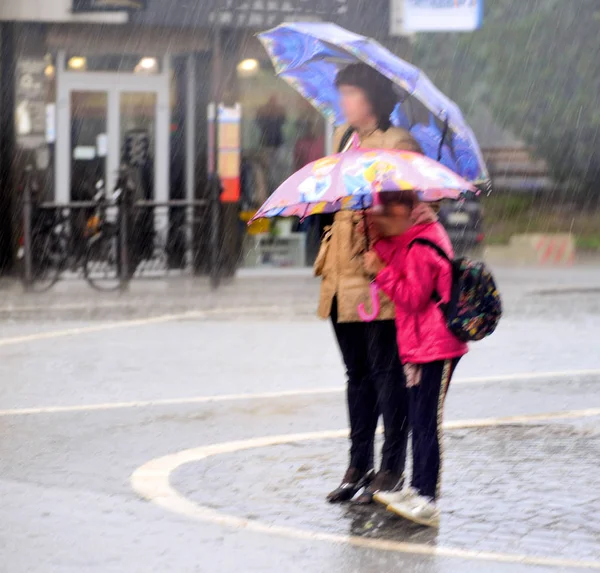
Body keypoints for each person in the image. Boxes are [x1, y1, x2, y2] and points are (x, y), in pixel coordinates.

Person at [315, 63, 421, 505]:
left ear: (371, 97)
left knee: (386, 375)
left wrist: (373, 219)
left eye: (350, 92)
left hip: (378, 277)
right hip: (341, 276)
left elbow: (405, 217)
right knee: (356, 374)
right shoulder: (345, 140)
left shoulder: (397, 145)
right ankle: (357, 465)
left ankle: (391, 466)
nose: (343, 101)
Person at [361, 190, 469, 527]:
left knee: (426, 426)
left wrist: (380, 272)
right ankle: (417, 489)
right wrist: (377, 247)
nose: (376, 220)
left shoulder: (423, 244)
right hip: (420, 346)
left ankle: (428, 499)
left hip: (438, 346)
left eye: (382, 215)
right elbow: (396, 261)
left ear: (403, 211)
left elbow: (413, 297)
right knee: (419, 421)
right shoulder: (412, 237)